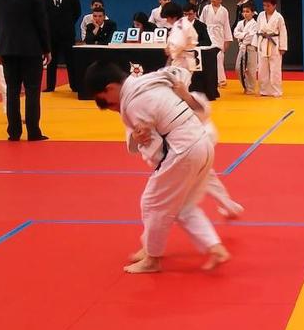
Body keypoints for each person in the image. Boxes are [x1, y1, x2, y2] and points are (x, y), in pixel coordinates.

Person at [83, 61, 230, 273]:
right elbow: (178, 72)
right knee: (182, 206)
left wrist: (140, 139)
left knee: (152, 202)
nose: (112, 109)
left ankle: (152, 258)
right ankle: (214, 247)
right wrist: (181, 92)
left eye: (108, 102)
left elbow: (154, 149)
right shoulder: (150, 81)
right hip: (203, 142)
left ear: (110, 88)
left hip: (183, 150)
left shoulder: (133, 102)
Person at [0, 0, 51, 141]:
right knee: (32, 91)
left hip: (7, 48)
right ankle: (33, 131)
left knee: (12, 91)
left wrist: (0, 48)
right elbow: (41, 23)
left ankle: (14, 132)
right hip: (31, 49)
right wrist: (46, 48)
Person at [43, 0, 82, 92]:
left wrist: (68, 24)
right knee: (51, 61)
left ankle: (74, 85)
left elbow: (77, 12)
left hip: (67, 34)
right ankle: (50, 86)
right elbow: (40, 13)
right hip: (51, 34)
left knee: (71, 61)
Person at [254, 0, 288, 97]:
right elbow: (257, 30)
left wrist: (283, 47)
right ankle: (264, 90)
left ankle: (276, 90)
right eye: (264, 5)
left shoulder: (279, 17)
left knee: (275, 69)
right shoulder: (260, 15)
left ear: (274, 6)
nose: (266, 8)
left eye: (268, 6)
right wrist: (255, 44)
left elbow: (283, 32)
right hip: (263, 42)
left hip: (274, 44)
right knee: (262, 69)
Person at [199, 0, 232, 87]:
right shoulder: (206, 8)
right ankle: (210, 80)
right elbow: (201, 23)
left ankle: (221, 80)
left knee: (219, 57)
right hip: (208, 34)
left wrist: (227, 41)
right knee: (208, 58)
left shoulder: (224, 10)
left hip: (219, 35)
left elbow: (226, 26)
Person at [233, 3, 258, 93]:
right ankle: (246, 86)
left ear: (252, 13)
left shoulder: (255, 24)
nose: (245, 13)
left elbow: (251, 36)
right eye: (244, 12)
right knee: (238, 68)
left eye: (247, 11)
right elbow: (235, 33)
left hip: (251, 48)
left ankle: (250, 88)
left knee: (251, 70)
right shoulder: (240, 23)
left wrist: (241, 36)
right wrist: (244, 35)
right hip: (242, 48)